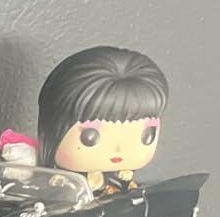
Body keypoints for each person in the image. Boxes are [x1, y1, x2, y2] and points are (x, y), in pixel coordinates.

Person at [36, 46, 168, 197]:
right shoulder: (56, 183)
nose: (118, 149)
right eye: (90, 137)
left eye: (147, 135)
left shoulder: (122, 184)